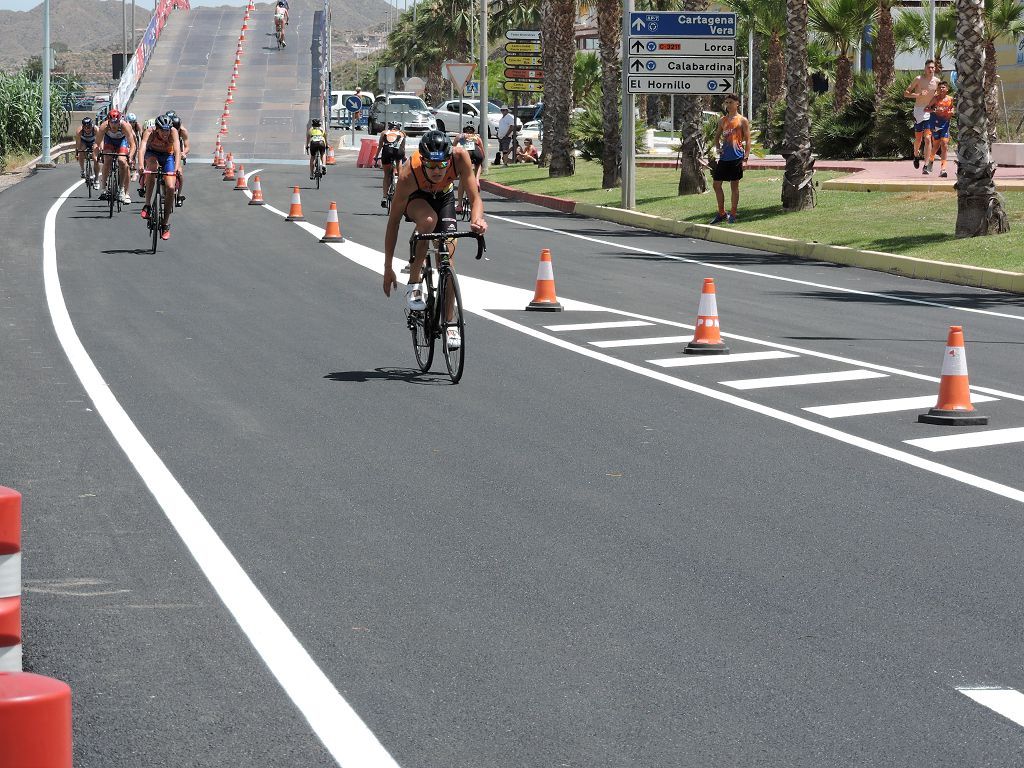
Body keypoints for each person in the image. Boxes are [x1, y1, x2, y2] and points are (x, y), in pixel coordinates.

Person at [382, 130, 487, 350]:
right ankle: (414, 282)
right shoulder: (408, 173)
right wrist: (388, 267)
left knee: (446, 256)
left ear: (449, 158)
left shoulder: (460, 157)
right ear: (423, 161)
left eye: (442, 165)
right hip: (417, 198)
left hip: (444, 197)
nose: (437, 171)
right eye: (431, 165)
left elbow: (474, 197)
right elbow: (393, 223)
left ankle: (449, 323)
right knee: (428, 221)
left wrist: (477, 219)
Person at [137, 113, 181, 241]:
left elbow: (177, 151)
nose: (166, 133)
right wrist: (140, 165)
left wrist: (177, 167)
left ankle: (165, 223)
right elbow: (142, 150)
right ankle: (147, 205)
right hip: (152, 154)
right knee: (152, 168)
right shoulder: (149, 132)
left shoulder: (173, 132)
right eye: (163, 131)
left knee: (171, 187)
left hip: (167, 156)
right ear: (157, 128)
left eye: (167, 130)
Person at [710, 93, 750, 225]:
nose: (728, 105)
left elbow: (748, 140)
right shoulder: (723, 120)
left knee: (734, 186)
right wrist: (718, 148)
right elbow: (716, 137)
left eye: (730, 102)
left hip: (737, 157)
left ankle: (733, 213)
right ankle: (721, 213)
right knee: (716, 185)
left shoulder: (742, 120)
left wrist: (746, 158)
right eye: (726, 103)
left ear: (737, 104)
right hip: (724, 158)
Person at [904, 60, 939, 173]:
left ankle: (926, 165)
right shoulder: (918, 79)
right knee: (918, 139)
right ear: (925, 68)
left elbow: (940, 96)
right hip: (919, 110)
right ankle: (916, 155)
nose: (931, 69)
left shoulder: (937, 81)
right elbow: (906, 93)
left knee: (928, 138)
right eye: (929, 67)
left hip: (930, 111)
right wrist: (918, 95)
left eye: (933, 67)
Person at [96, 108, 137, 205]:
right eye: (112, 123)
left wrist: (130, 157)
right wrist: (98, 153)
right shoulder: (104, 126)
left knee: (123, 161)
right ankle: (103, 188)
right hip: (109, 141)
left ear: (120, 121)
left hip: (122, 141)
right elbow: (97, 143)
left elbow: (133, 145)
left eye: (116, 122)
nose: (114, 125)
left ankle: (123, 190)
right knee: (107, 159)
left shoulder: (125, 126)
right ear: (108, 121)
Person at [374, 120, 406, 205]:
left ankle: (384, 197)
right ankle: (401, 191)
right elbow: (403, 147)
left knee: (386, 175)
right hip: (398, 152)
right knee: (400, 170)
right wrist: (404, 156)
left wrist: (376, 156)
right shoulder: (402, 133)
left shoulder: (384, 132)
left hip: (387, 152)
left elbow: (380, 146)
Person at [927, 81, 954, 178]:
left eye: (943, 87)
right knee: (936, 145)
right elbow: (926, 109)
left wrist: (951, 112)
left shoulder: (951, 99)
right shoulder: (935, 99)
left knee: (944, 144)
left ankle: (943, 169)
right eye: (940, 87)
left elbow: (953, 109)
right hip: (935, 123)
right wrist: (935, 110)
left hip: (945, 124)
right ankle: (931, 160)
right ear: (938, 89)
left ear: (947, 89)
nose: (942, 89)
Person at [455, 124, 483, 211]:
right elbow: (482, 149)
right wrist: (482, 159)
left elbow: (453, 147)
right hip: (476, 152)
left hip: (466, 154)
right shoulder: (477, 137)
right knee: (478, 163)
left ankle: (459, 205)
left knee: (462, 179)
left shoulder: (460, 136)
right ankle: (477, 180)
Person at [170, 113, 189, 206]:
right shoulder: (166, 130)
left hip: (178, 153)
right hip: (169, 151)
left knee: (180, 173)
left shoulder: (183, 131)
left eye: (177, 128)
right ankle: (162, 193)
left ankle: (179, 195)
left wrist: (183, 153)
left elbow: (187, 146)